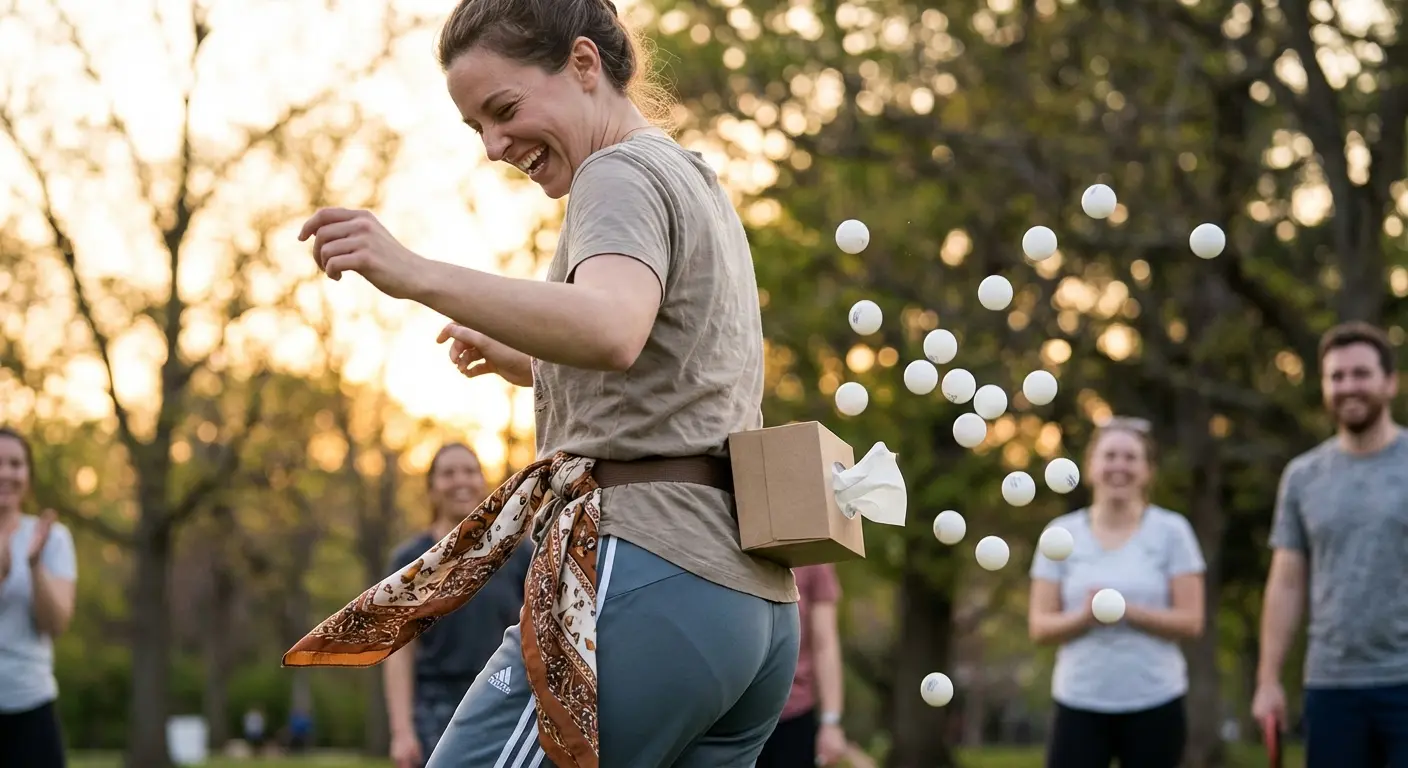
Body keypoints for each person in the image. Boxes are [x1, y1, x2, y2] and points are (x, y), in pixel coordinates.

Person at [282, 0, 802, 765]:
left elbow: (612, 327)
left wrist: (414, 273)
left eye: (504, 109)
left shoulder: (615, 172)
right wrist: (525, 357)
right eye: (476, 128)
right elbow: (671, 371)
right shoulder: (693, 176)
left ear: (584, 64)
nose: (494, 146)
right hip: (749, 607)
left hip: (647, 571)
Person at [1252, 321, 1408, 767]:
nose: (1348, 386)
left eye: (1361, 374)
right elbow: (1285, 583)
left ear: (1390, 382)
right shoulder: (1302, 477)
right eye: (1336, 376)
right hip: (1330, 685)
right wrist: (1268, 679)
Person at [1027, 417, 1206, 768]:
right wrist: (1085, 616)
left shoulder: (1173, 532)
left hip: (1156, 700)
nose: (1119, 466)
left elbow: (1191, 621)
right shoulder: (1059, 534)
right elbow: (1039, 627)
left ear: (1148, 470)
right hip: (1079, 701)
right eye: (1109, 456)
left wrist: (1126, 611)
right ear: (1090, 467)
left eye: (1130, 457)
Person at [384, 443, 531, 768]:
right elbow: (399, 653)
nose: (460, 481)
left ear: (482, 481)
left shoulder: (518, 553)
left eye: (469, 471)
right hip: (434, 708)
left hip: (502, 696)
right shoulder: (410, 561)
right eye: (448, 473)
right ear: (431, 488)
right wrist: (402, 732)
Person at [0, 427, 78, 768]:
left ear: (28, 475)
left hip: (31, 706)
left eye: (15, 464)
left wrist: (34, 566)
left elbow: (56, 624)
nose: (6, 473)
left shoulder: (52, 538)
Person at [757, 563, 848, 767]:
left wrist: (831, 722)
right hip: (730, 713)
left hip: (793, 717)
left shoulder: (814, 555)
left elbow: (825, 643)